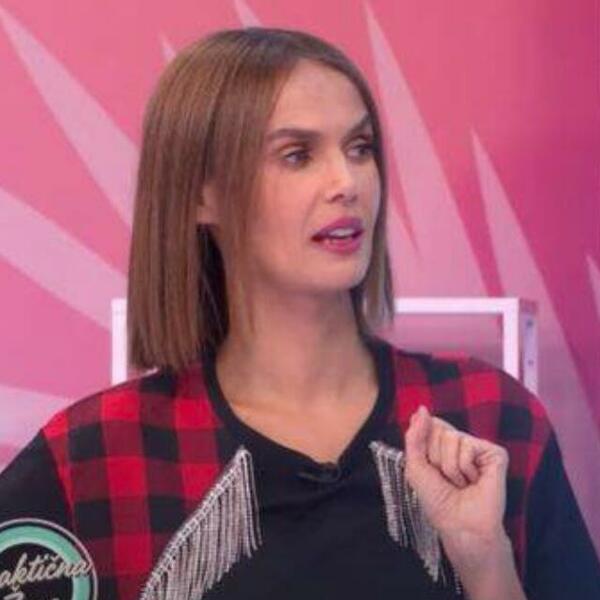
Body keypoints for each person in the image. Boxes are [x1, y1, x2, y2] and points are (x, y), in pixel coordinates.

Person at [0, 27, 599, 600]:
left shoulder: (488, 417)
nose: (347, 182)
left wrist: (486, 560)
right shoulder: (92, 458)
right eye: (297, 155)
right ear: (202, 194)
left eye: (360, 148)